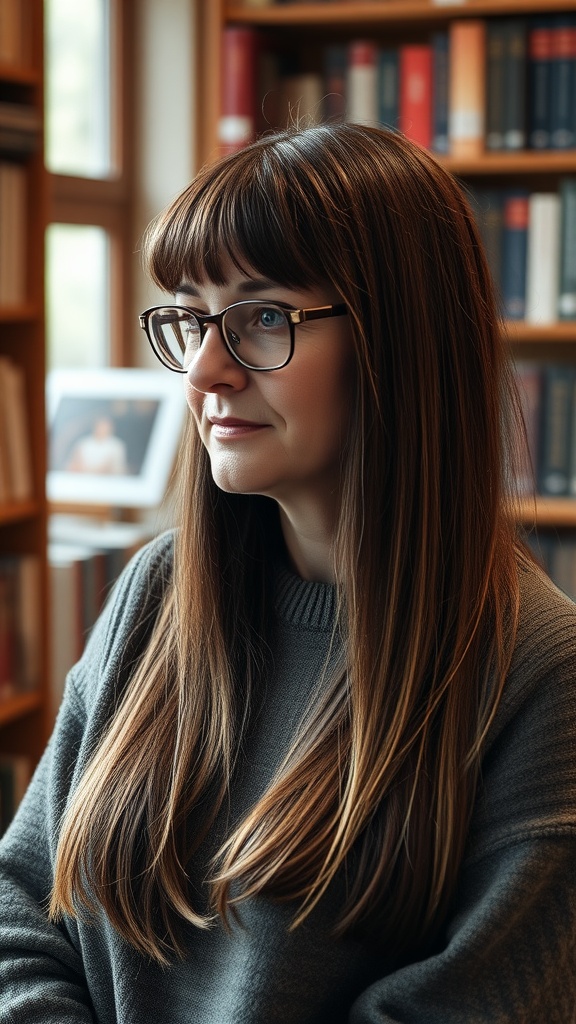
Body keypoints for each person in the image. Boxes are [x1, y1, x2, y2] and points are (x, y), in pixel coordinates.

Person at [1, 123, 575, 1023]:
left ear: (401, 341)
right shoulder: (157, 592)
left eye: (264, 316)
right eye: (191, 316)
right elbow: (22, 899)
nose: (205, 371)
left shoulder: (536, 673)